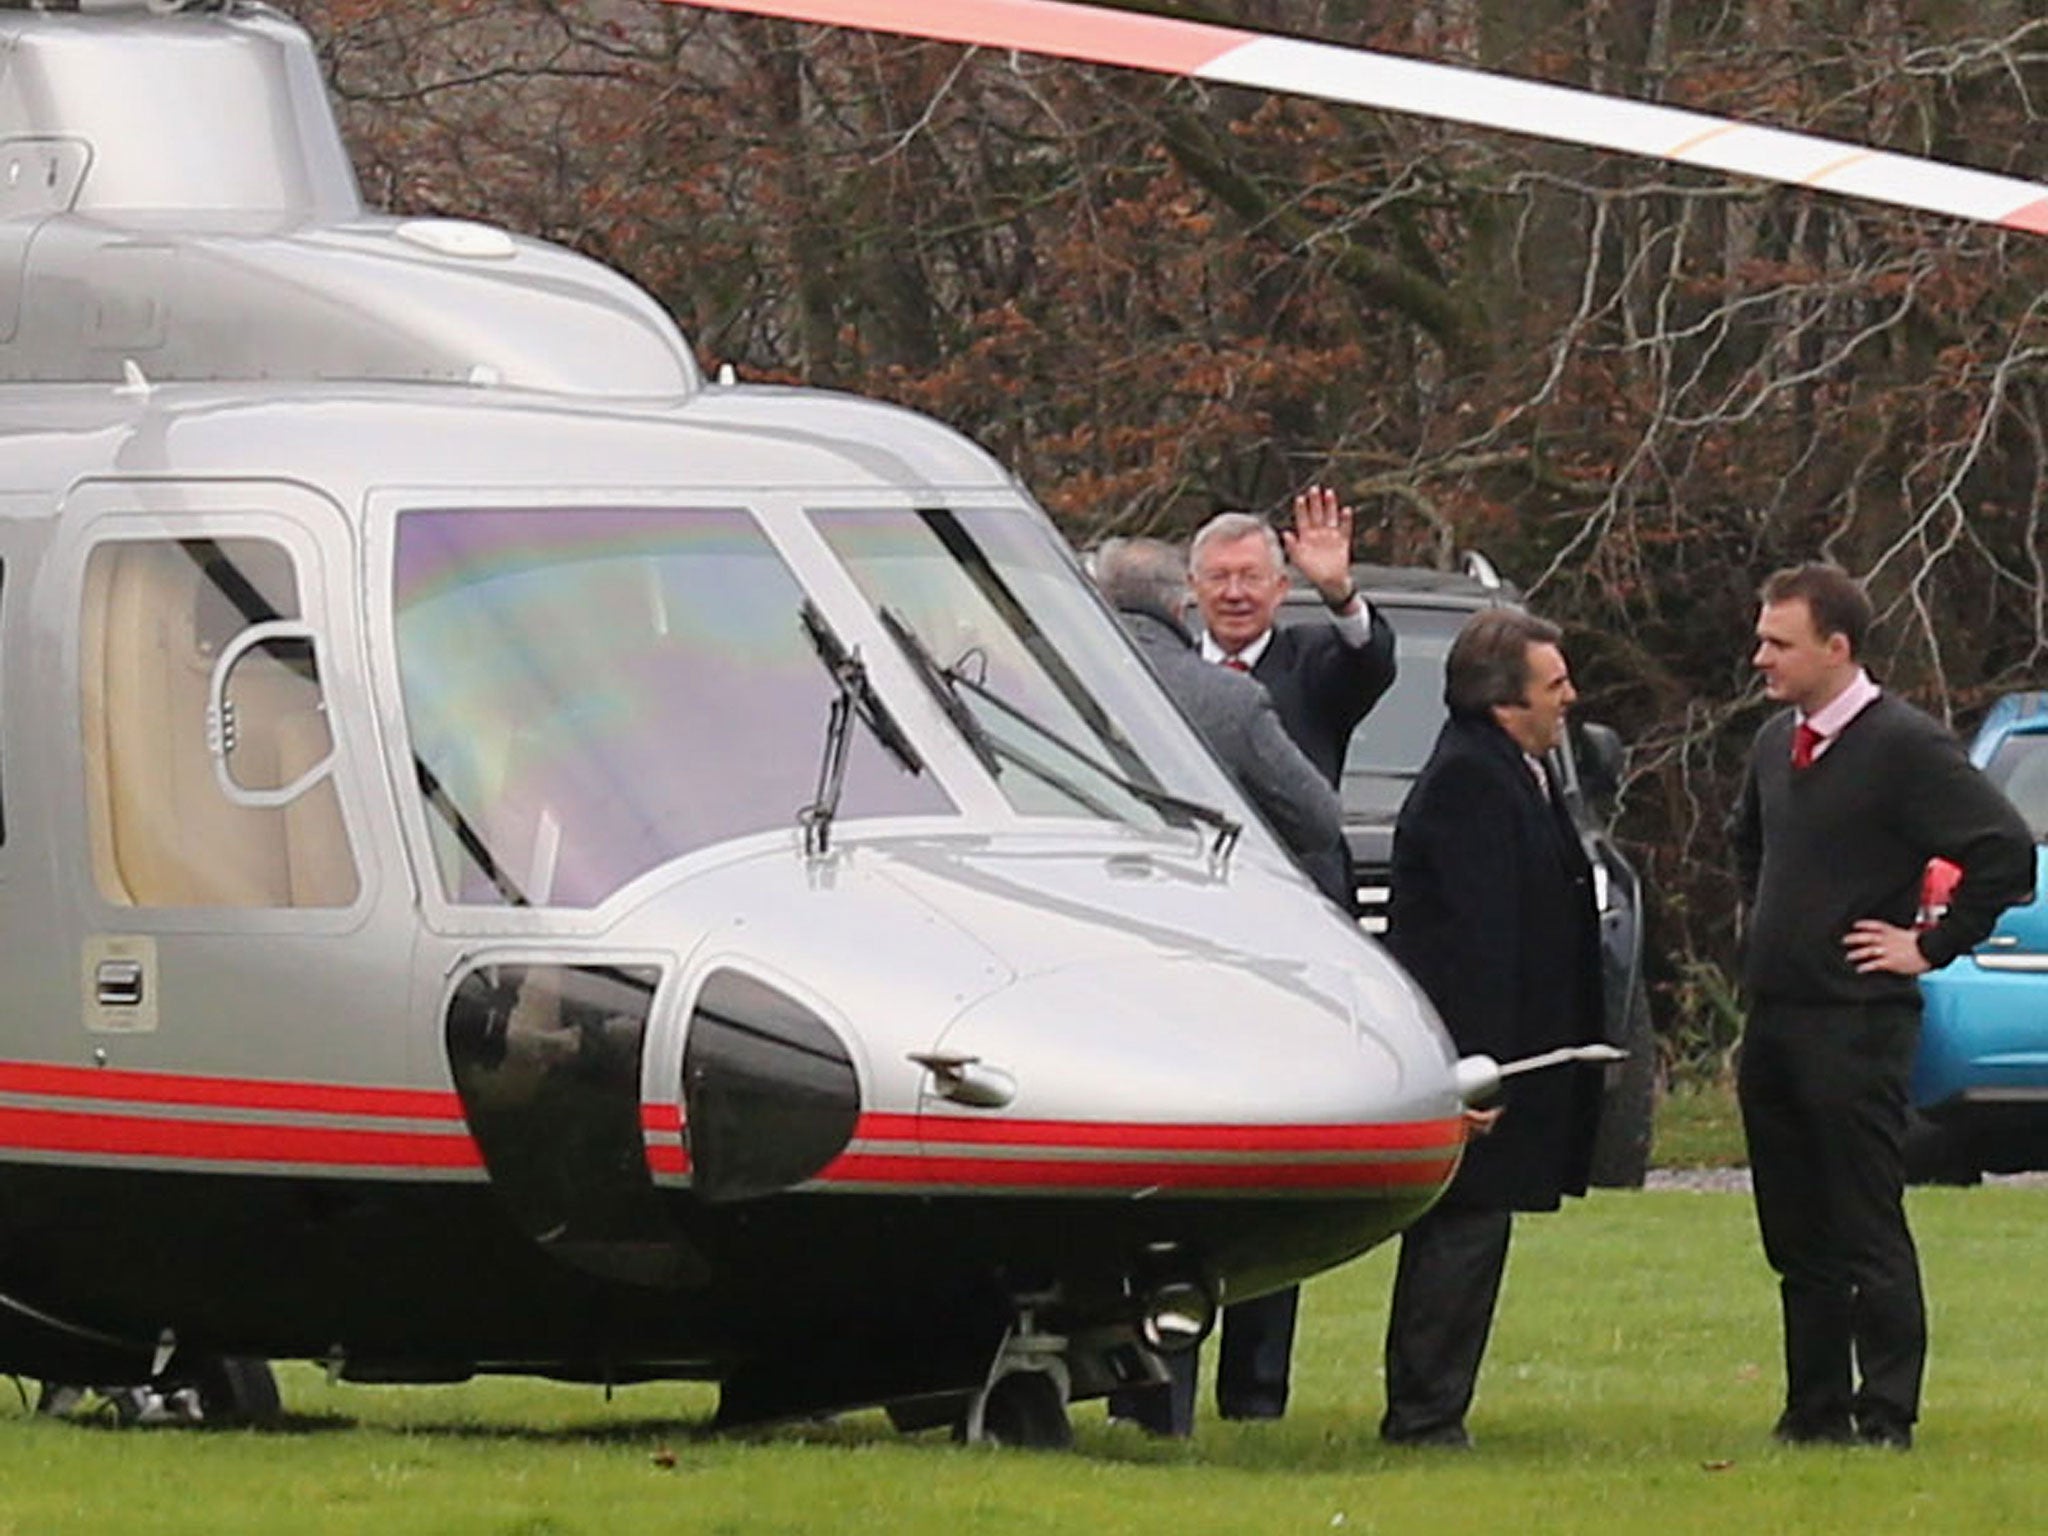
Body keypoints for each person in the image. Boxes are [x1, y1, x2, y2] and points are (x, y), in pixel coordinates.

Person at [1731, 562, 2032, 1451]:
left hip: (1856, 1024)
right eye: (1761, 640)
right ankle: (1813, 1408)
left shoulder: (1905, 746)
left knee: (1864, 1220)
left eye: (1778, 644)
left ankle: (1886, 1410)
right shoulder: (1771, 746)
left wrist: (1932, 945)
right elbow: (1752, 847)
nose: (1761, 659)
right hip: (1777, 1019)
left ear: (1837, 647)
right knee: (1795, 1229)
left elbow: (2003, 850)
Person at [1092, 535, 1344, 1437]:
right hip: (1223, 987)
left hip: (1089, 989)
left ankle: (1129, 1390)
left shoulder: (1054, 699)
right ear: (1180, 602)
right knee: (1243, 1186)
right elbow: (1317, 818)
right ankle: (1244, 1396)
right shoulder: (1228, 704)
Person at [1186, 487, 1397, 1420]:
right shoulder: (1148, 674)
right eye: (1219, 579)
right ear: (1191, 590)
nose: (1236, 594)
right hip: (1188, 942)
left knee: (1278, 1157)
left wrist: (1342, 594)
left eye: (1252, 578)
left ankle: (1257, 1390)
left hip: (1297, 932)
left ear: (1280, 588)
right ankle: (1157, 1383)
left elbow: (1372, 668)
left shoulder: (1315, 662)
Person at [1377, 607, 1606, 1449]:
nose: (1569, 698)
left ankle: (1436, 1406)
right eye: (1554, 685)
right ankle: (1425, 1415)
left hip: (1513, 1049)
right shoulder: (1471, 782)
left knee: (1479, 1227)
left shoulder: (1517, 770)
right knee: (1461, 1228)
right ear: (1503, 700)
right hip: (1484, 1058)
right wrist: (1481, 1072)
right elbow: (1470, 942)